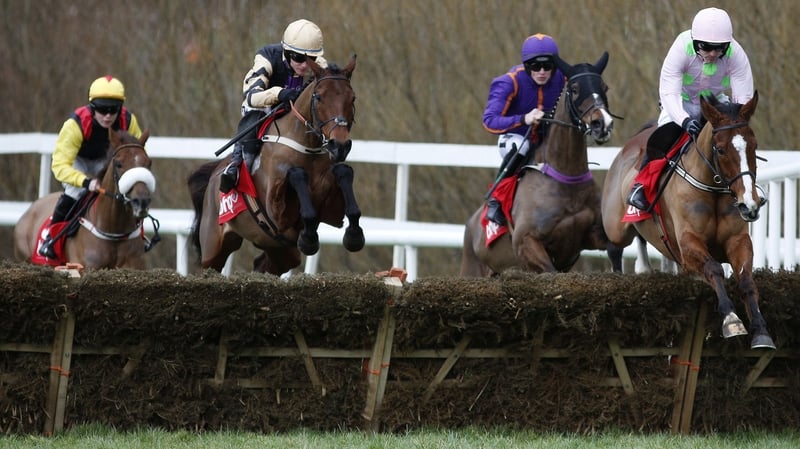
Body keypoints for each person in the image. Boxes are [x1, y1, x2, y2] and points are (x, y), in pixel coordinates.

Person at [628, 7, 754, 210]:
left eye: (719, 48)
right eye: (706, 47)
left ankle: (747, 188)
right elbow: (669, 92)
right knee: (663, 137)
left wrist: (736, 122)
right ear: (695, 42)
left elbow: (743, 97)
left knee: (738, 142)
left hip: (715, 102)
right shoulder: (681, 47)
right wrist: (684, 120)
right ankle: (641, 186)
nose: (713, 53)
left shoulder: (736, 54)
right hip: (681, 101)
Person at [38, 75, 143, 259]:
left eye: (114, 110)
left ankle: (139, 236)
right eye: (102, 109)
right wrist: (85, 182)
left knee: (127, 193)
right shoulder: (76, 123)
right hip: (78, 162)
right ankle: (51, 239)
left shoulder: (128, 120)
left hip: (108, 161)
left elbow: (136, 155)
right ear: (92, 107)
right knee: (74, 193)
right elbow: (60, 165)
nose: (108, 115)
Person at [220, 18, 328, 193]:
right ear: (286, 51)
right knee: (255, 113)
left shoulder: (320, 65)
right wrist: (279, 93)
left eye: (311, 59)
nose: (304, 65)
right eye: (299, 58)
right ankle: (237, 164)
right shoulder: (267, 56)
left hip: (295, 112)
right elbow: (251, 97)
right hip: (264, 106)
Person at [481, 33, 565, 225]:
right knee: (521, 146)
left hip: (547, 138)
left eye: (548, 66)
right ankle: (497, 200)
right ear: (527, 66)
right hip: (515, 136)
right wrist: (524, 118)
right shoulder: (509, 82)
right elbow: (489, 121)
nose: (542, 71)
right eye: (536, 66)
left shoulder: (562, 78)